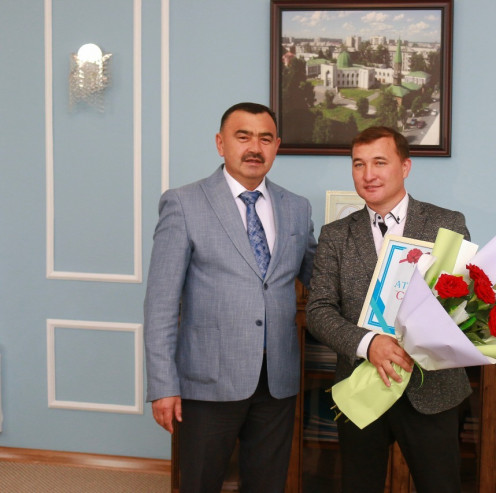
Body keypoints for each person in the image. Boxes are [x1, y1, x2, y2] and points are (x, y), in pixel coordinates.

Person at [144, 102, 316, 493]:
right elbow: (160, 303)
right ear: (221, 143)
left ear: (277, 146)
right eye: (243, 137)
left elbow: (319, 280)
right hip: (207, 380)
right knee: (200, 483)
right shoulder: (183, 203)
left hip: (277, 380)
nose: (255, 147)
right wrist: (163, 384)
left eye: (265, 139)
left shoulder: (296, 207)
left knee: (267, 484)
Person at [306, 126, 471, 493]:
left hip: (432, 391)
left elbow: (461, 302)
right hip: (360, 387)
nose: (368, 174)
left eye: (380, 162)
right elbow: (318, 310)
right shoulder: (335, 234)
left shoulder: (447, 224)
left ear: (405, 166)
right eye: (359, 164)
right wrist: (369, 344)